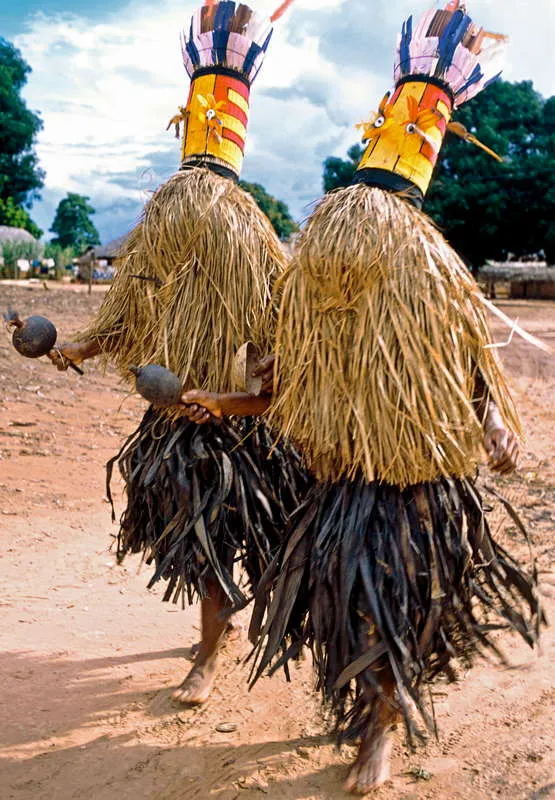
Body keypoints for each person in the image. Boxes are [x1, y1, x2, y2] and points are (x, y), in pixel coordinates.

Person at [182, 1, 543, 793]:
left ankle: (380, 727)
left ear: (395, 237)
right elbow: (279, 387)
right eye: (332, 240)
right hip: (342, 482)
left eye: (359, 239)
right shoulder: (309, 293)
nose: (342, 258)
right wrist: (229, 398)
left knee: (397, 608)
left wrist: (490, 422)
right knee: (341, 610)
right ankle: (364, 709)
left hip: (419, 482)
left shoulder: (427, 271)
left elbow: (465, 358)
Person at [49, 0, 308, 707]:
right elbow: (129, 309)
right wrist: (76, 345)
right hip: (173, 423)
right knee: (202, 545)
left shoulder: (250, 234)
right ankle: (212, 641)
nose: (184, 210)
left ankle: (215, 644)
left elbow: (279, 335)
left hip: (240, 424)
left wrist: (245, 390)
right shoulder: (163, 220)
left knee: (248, 537)